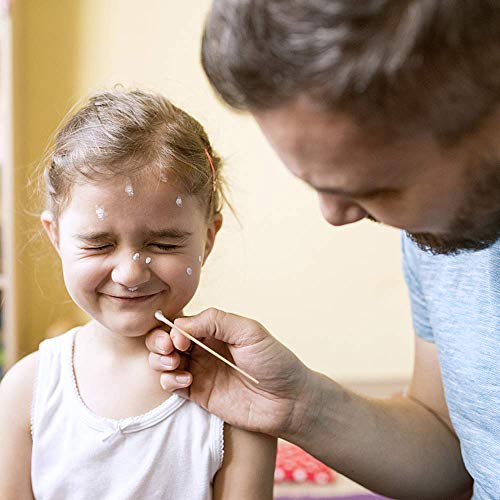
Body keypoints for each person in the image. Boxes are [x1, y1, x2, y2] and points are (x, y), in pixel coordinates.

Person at [146, 2, 500, 499]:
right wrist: (298, 406)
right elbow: (455, 454)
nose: (335, 215)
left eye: (376, 188)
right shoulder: (445, 228)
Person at [0, 89, 276, 500]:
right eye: (98, 244)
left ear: (208, 237)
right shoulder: (28, 390)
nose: (130, 274)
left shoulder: (239, 398)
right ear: (56, 237)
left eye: (164, 244)